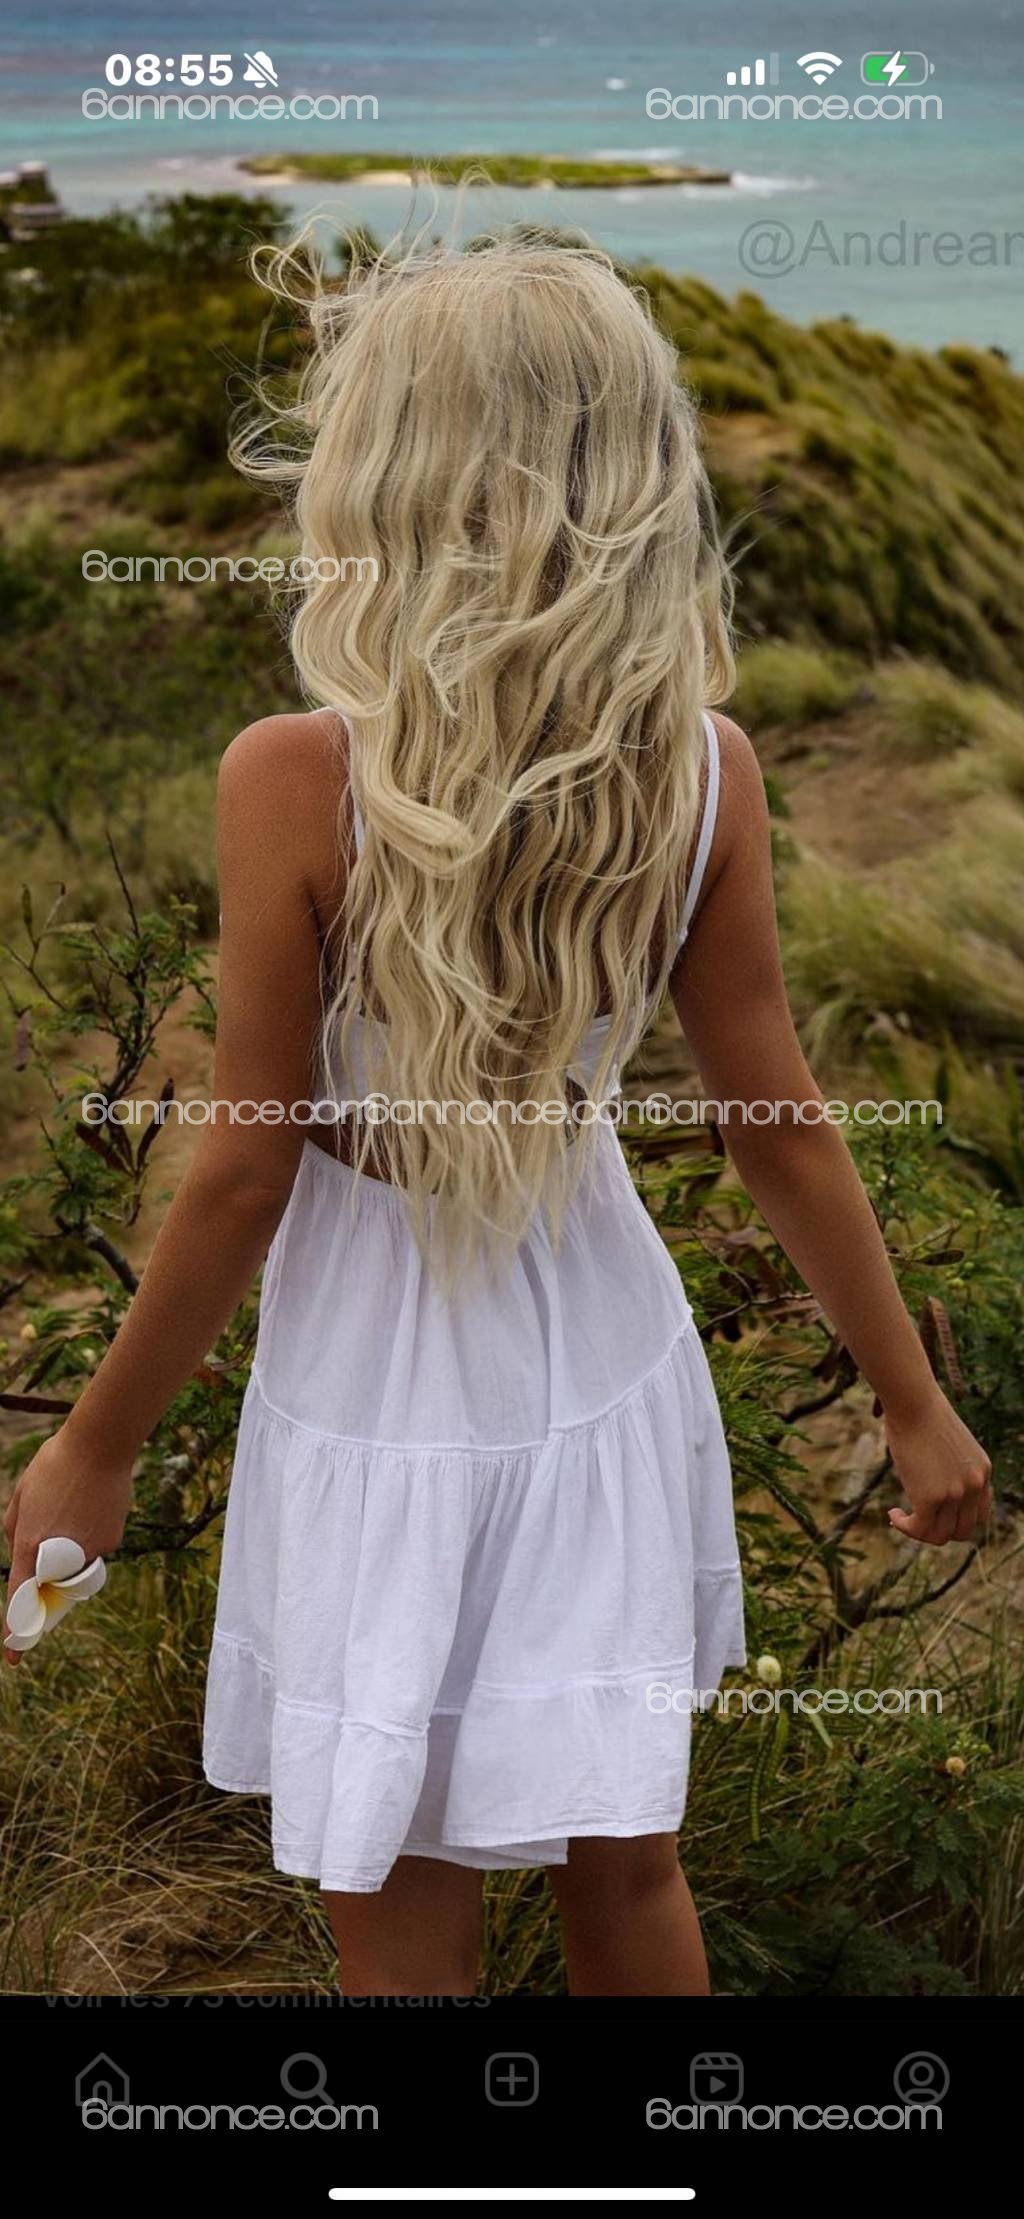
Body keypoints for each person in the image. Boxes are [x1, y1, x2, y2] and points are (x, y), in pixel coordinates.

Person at [3, 234, 991, 1997]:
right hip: (603, 1342)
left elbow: (242, 1171)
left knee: (393, 1859)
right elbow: (777, 1121)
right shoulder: (704, 768)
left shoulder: (295, 775)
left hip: (377, 1366)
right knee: (629, 1858)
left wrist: (96, 1441)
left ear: (387, 469)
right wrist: (912, 1404)